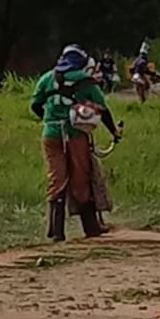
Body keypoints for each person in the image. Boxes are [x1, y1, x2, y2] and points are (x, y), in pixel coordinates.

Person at [31, 46, 122, 240]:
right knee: (81, 178)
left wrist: (49, 120)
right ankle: (91, 228)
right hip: (75, 134)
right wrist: (114, 131)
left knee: (56, 178)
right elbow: (102, 109)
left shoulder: (47, 78)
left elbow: (35, 104)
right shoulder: (86, 81)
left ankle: (56, 232)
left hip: (51, 134)